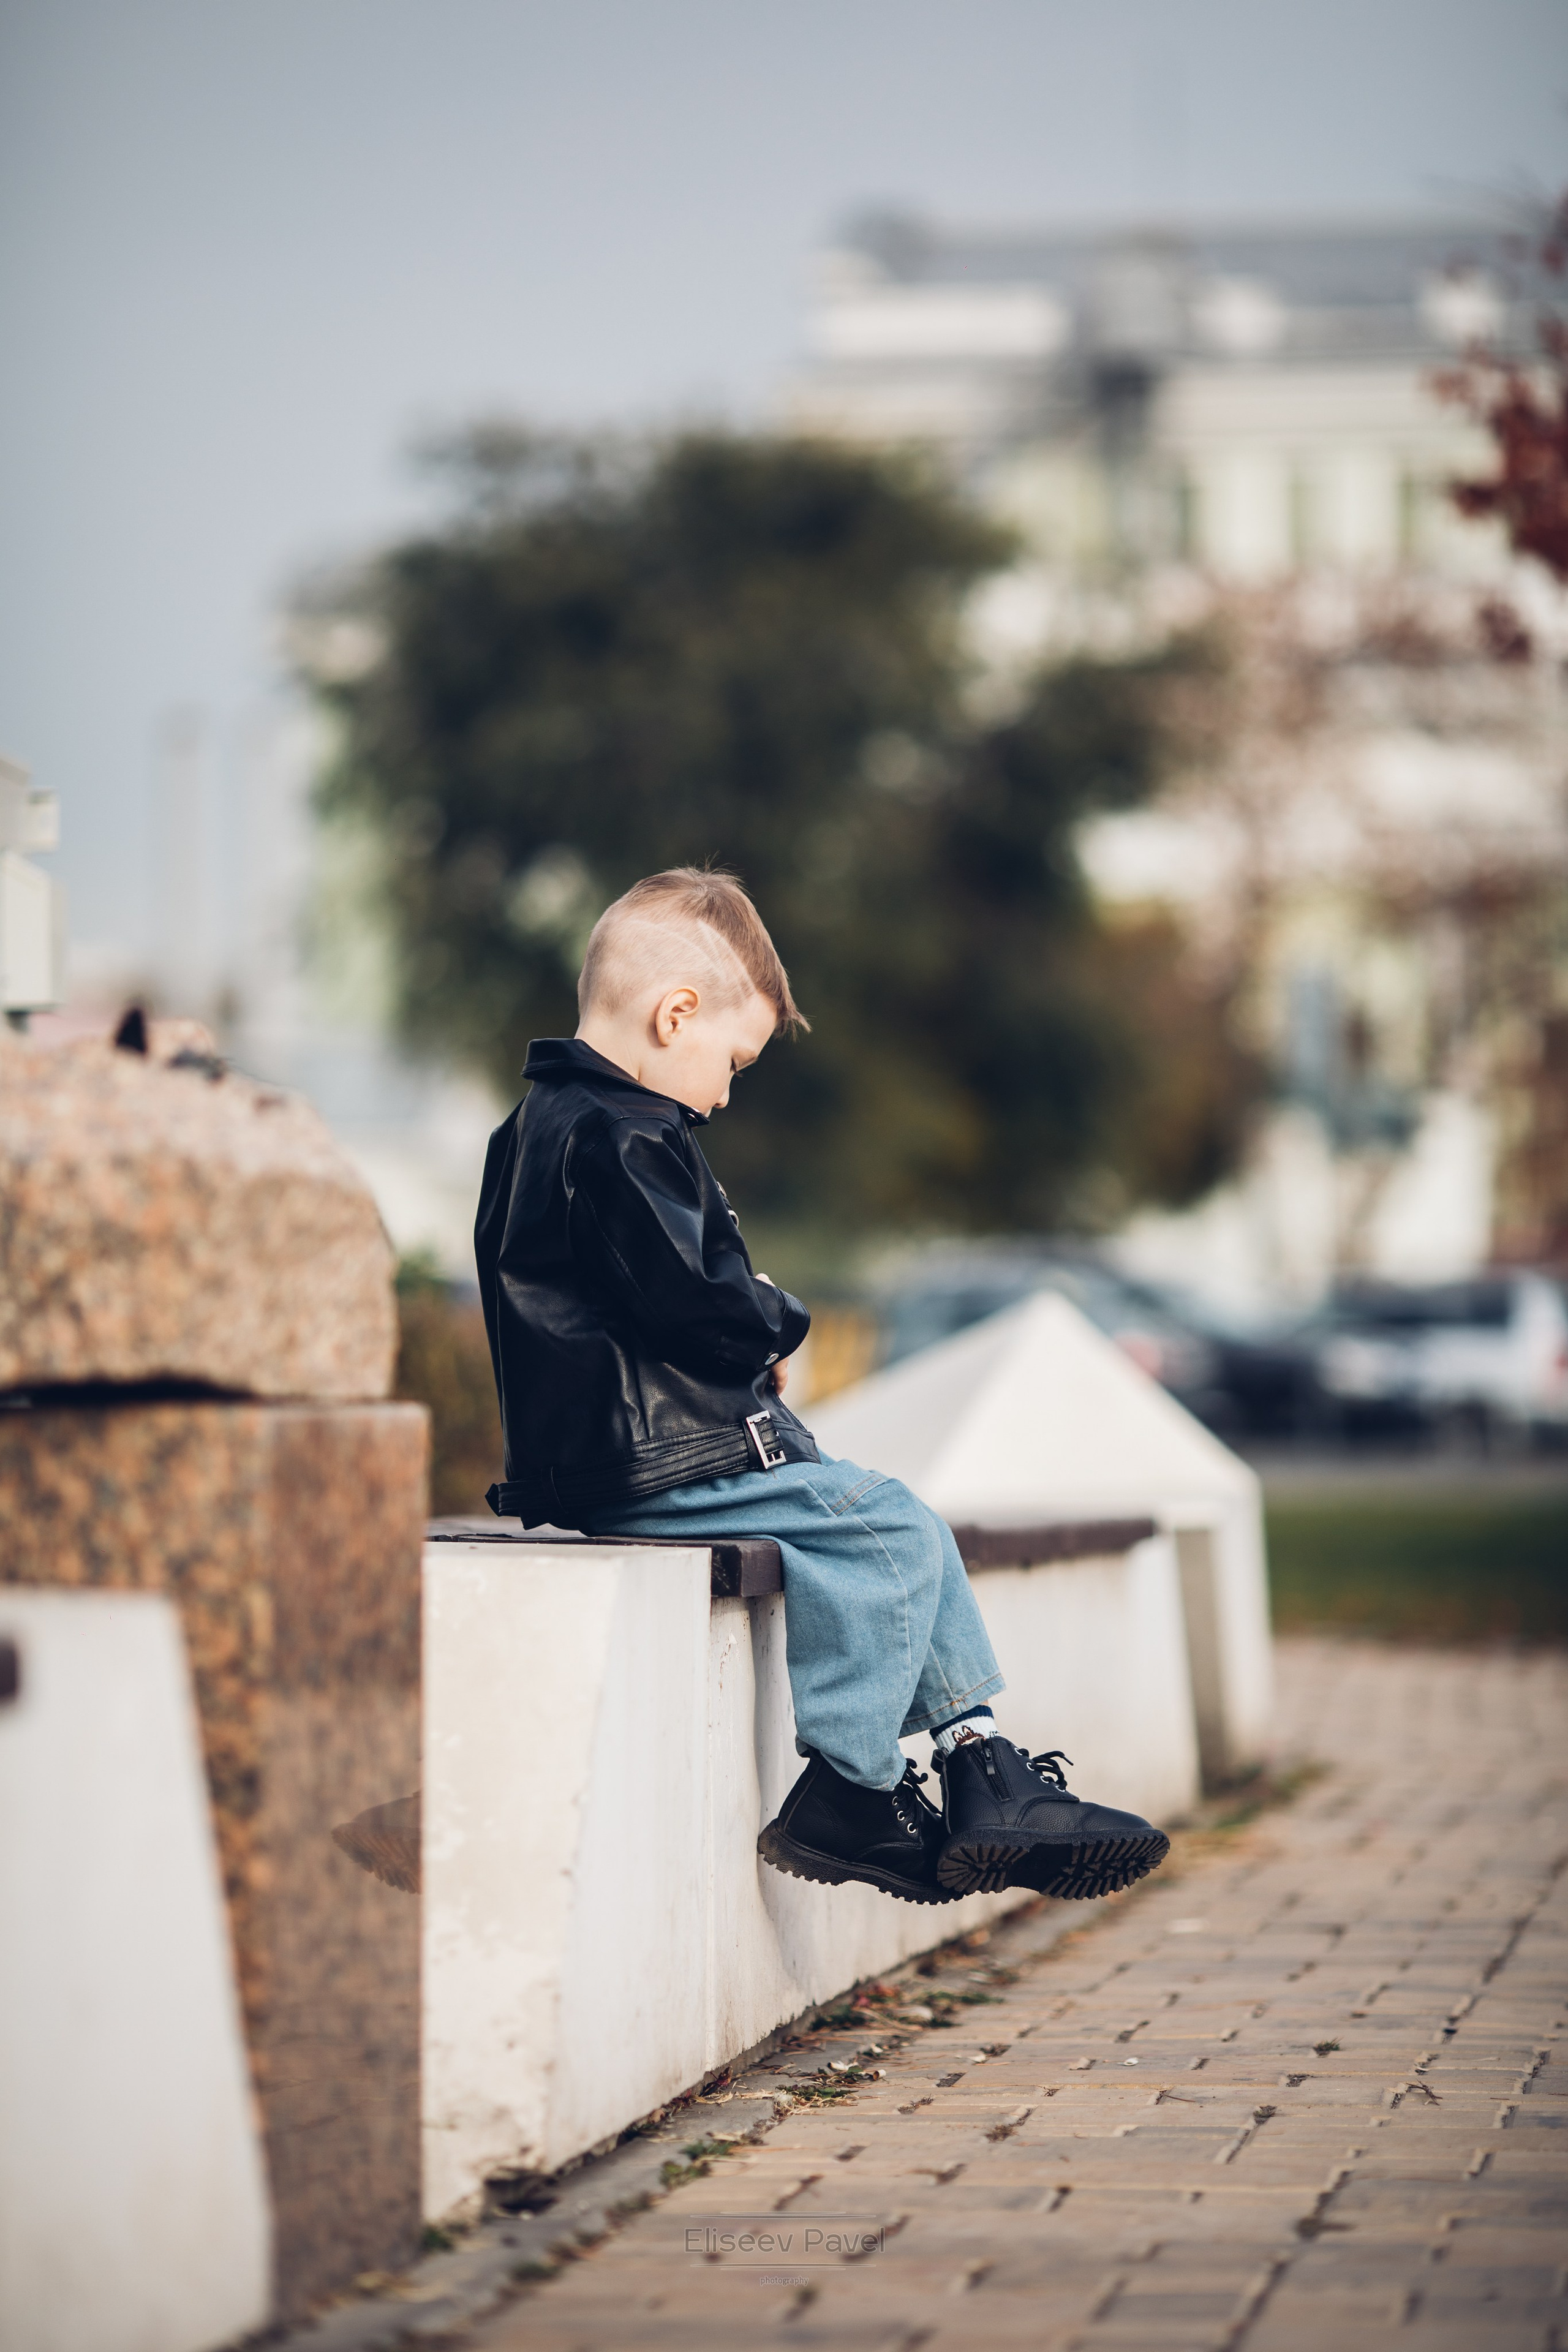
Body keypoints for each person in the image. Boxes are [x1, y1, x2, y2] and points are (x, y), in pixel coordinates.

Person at [475, 867, 1168, 1907]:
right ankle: (853, 1785)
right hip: (663, 1458)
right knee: (887, 1530)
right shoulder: (624, 1133)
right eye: (733, 1059)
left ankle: (984, 1769)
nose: (725, 1089)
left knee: (909, 1533)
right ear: (676, 1016)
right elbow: (691, 1304)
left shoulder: (533, 1129)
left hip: (622, 1455)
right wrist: (772, 1320)